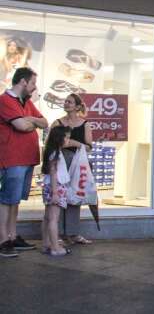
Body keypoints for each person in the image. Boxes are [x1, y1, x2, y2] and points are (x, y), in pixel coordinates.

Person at [0, 67, 48, 257]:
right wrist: (29, 121)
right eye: (33, 83)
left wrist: (30, 119)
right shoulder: (4, 101)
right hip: (12, 159)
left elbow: (44, 122)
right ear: (23, 82)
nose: (35, 87)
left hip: (27, 159)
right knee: (6, 199)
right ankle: (3, 239)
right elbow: (20, 126)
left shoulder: (27, 102)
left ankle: (12, 236)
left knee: (15, 200)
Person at [51, 93, 94, 245]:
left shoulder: (85, 124)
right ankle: (59, 234)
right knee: (60, 196)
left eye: (70, 102)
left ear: (77, 106)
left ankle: (73, 233)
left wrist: (75, 143)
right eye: (66, 101)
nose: (66, 104)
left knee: (75, 197)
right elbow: (50, 144)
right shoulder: (57, 123)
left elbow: (89, 147)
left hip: (78, 164)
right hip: (60, 162)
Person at [41, 126, 73, 256]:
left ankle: (46, 244)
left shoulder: (51, 151)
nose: (68, 140)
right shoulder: (56, 153)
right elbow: (54, 173)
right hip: (56, 187)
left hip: (50, 186)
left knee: (47, 217)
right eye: (66, 137)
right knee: (54, 218)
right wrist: (55, 193)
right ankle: (55, 247)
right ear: (59, 138)